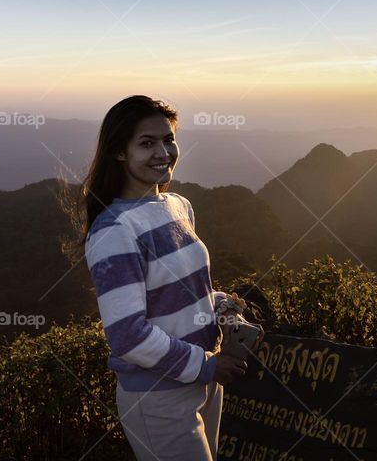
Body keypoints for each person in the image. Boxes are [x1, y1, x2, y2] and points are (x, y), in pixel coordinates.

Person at [78, 95, 262, 460]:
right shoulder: (115, 230)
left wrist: (223, 307)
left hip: (205, 382)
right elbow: (127, 335)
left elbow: (185, 292)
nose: (163, 153)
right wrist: (206, 365)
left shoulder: (178, 206)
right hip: (158, 396)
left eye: (168, 140)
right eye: (147, 143)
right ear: (119, 152)